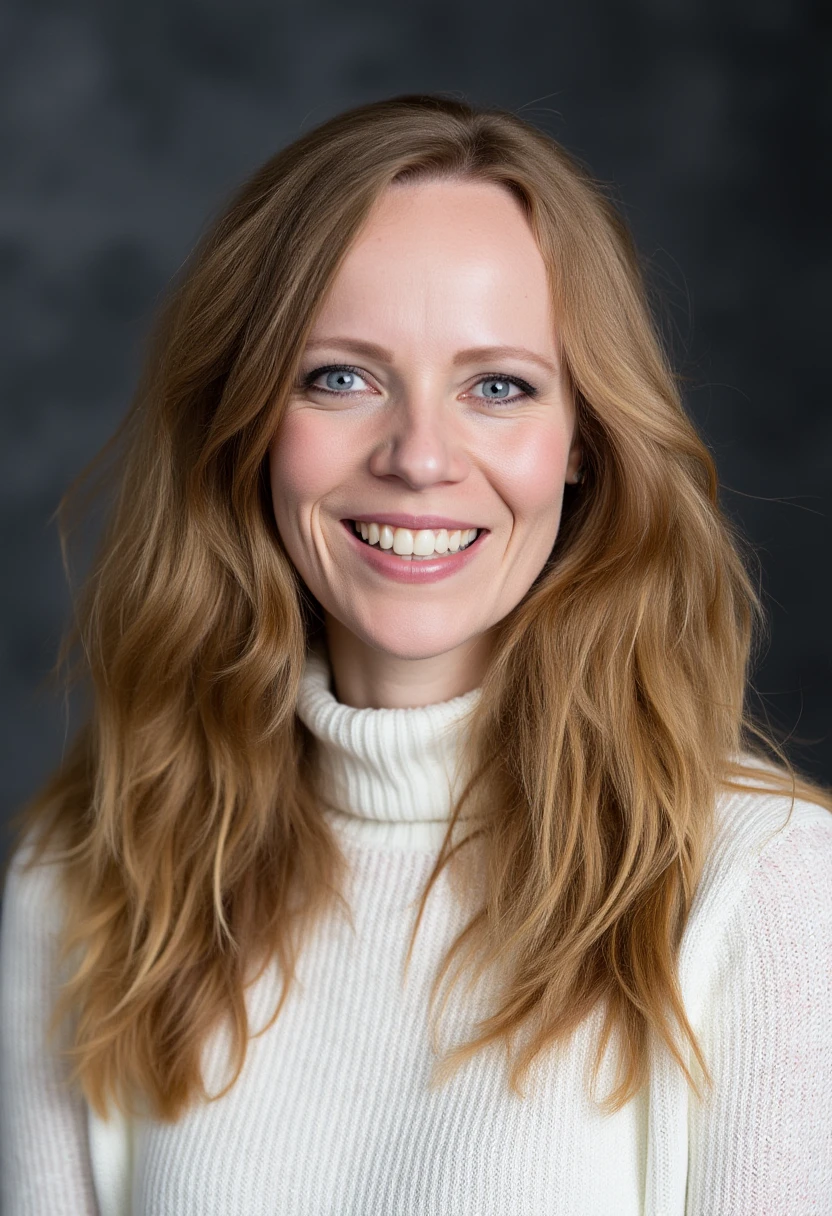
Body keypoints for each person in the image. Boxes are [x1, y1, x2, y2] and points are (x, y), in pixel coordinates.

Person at [1, 94, 830, 1216]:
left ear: (582, 442)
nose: (420, 457)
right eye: (341, 376)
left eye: (499, 386)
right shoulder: (84, 880)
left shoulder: (761, 885)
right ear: (245, 421)